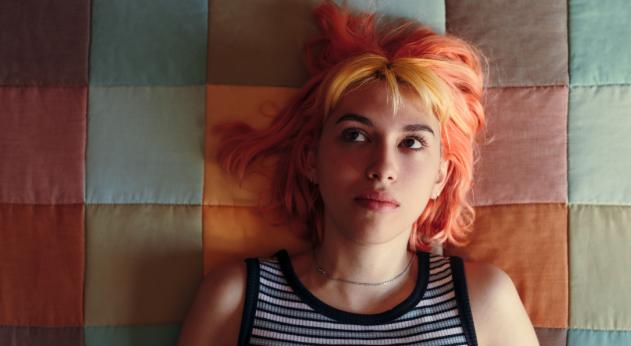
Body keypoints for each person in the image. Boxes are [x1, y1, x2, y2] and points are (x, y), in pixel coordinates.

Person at [178, 1, 538, 345]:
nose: (382, 169)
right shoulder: (236, 299)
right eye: (356, 135)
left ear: (440, 177)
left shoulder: (483, 302)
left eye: (411, 143)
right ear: (310, 159)